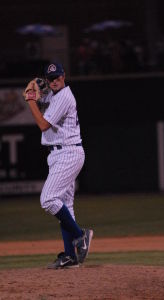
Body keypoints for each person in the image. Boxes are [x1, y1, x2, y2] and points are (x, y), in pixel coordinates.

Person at [25, 62, 93, 269]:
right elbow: (37, 92)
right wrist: (32, 85)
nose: (54, 81)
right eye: (50, 78)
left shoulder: (64, 96)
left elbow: (43, 124)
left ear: (64, 76)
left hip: (68, 152)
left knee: (47, 199)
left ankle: (80, 235)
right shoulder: (54, 95)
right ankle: (70, 257)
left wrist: (30, 101)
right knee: (66, 206)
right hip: (60, 153)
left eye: (57, 77)